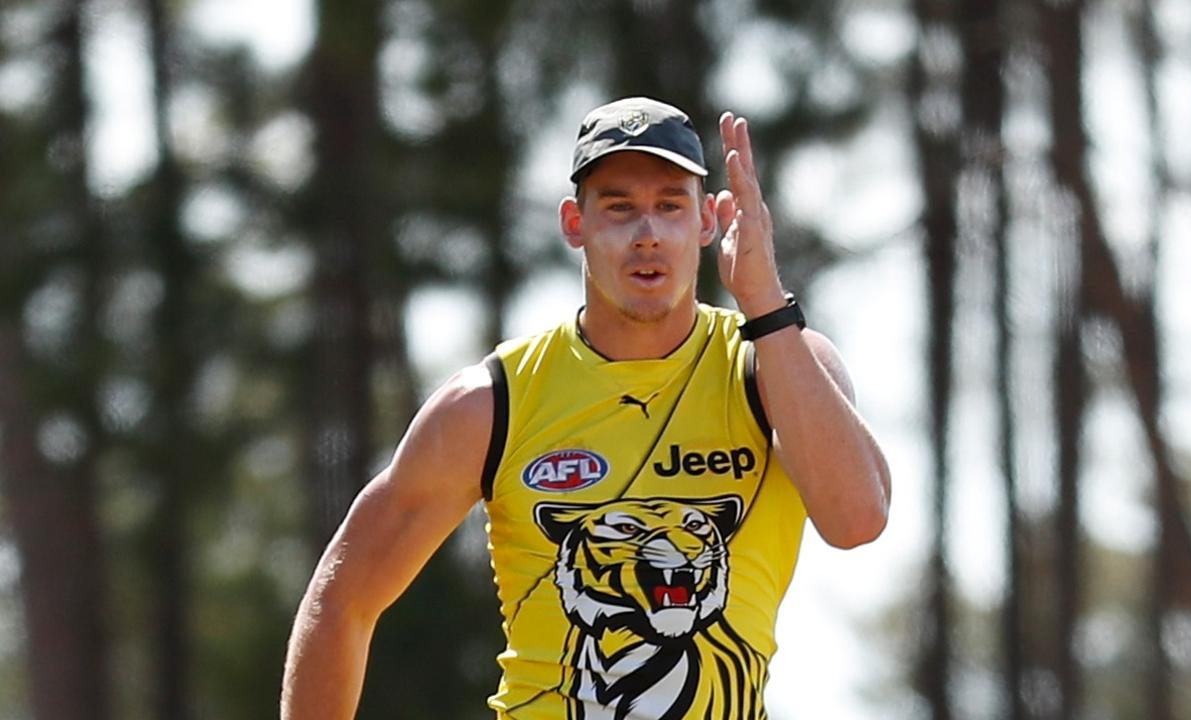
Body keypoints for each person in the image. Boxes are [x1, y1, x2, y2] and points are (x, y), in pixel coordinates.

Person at [281, 96, 891, 719]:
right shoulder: (493, 402)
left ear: (709, 221)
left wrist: (764, 303)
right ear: (576, 223)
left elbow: (856, 520)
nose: (647, 234)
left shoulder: (776, 363)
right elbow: (342, 601)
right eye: (619, 208)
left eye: (670, 206)